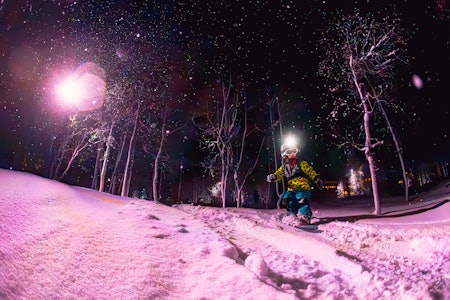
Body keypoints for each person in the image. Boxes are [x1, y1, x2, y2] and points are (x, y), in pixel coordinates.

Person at [266, 139, 323, 225]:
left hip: (302, 187)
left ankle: (305, 216)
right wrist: (273, 177)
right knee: (289, 200)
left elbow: (309, 171)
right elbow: (279, 174)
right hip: (291, 188)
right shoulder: (284, 167)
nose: (292, 153)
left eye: (294, 151)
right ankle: (292, 215)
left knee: (302, 200)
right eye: (289, 151)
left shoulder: (301, 163)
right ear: (285, 154)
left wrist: (316, 179)